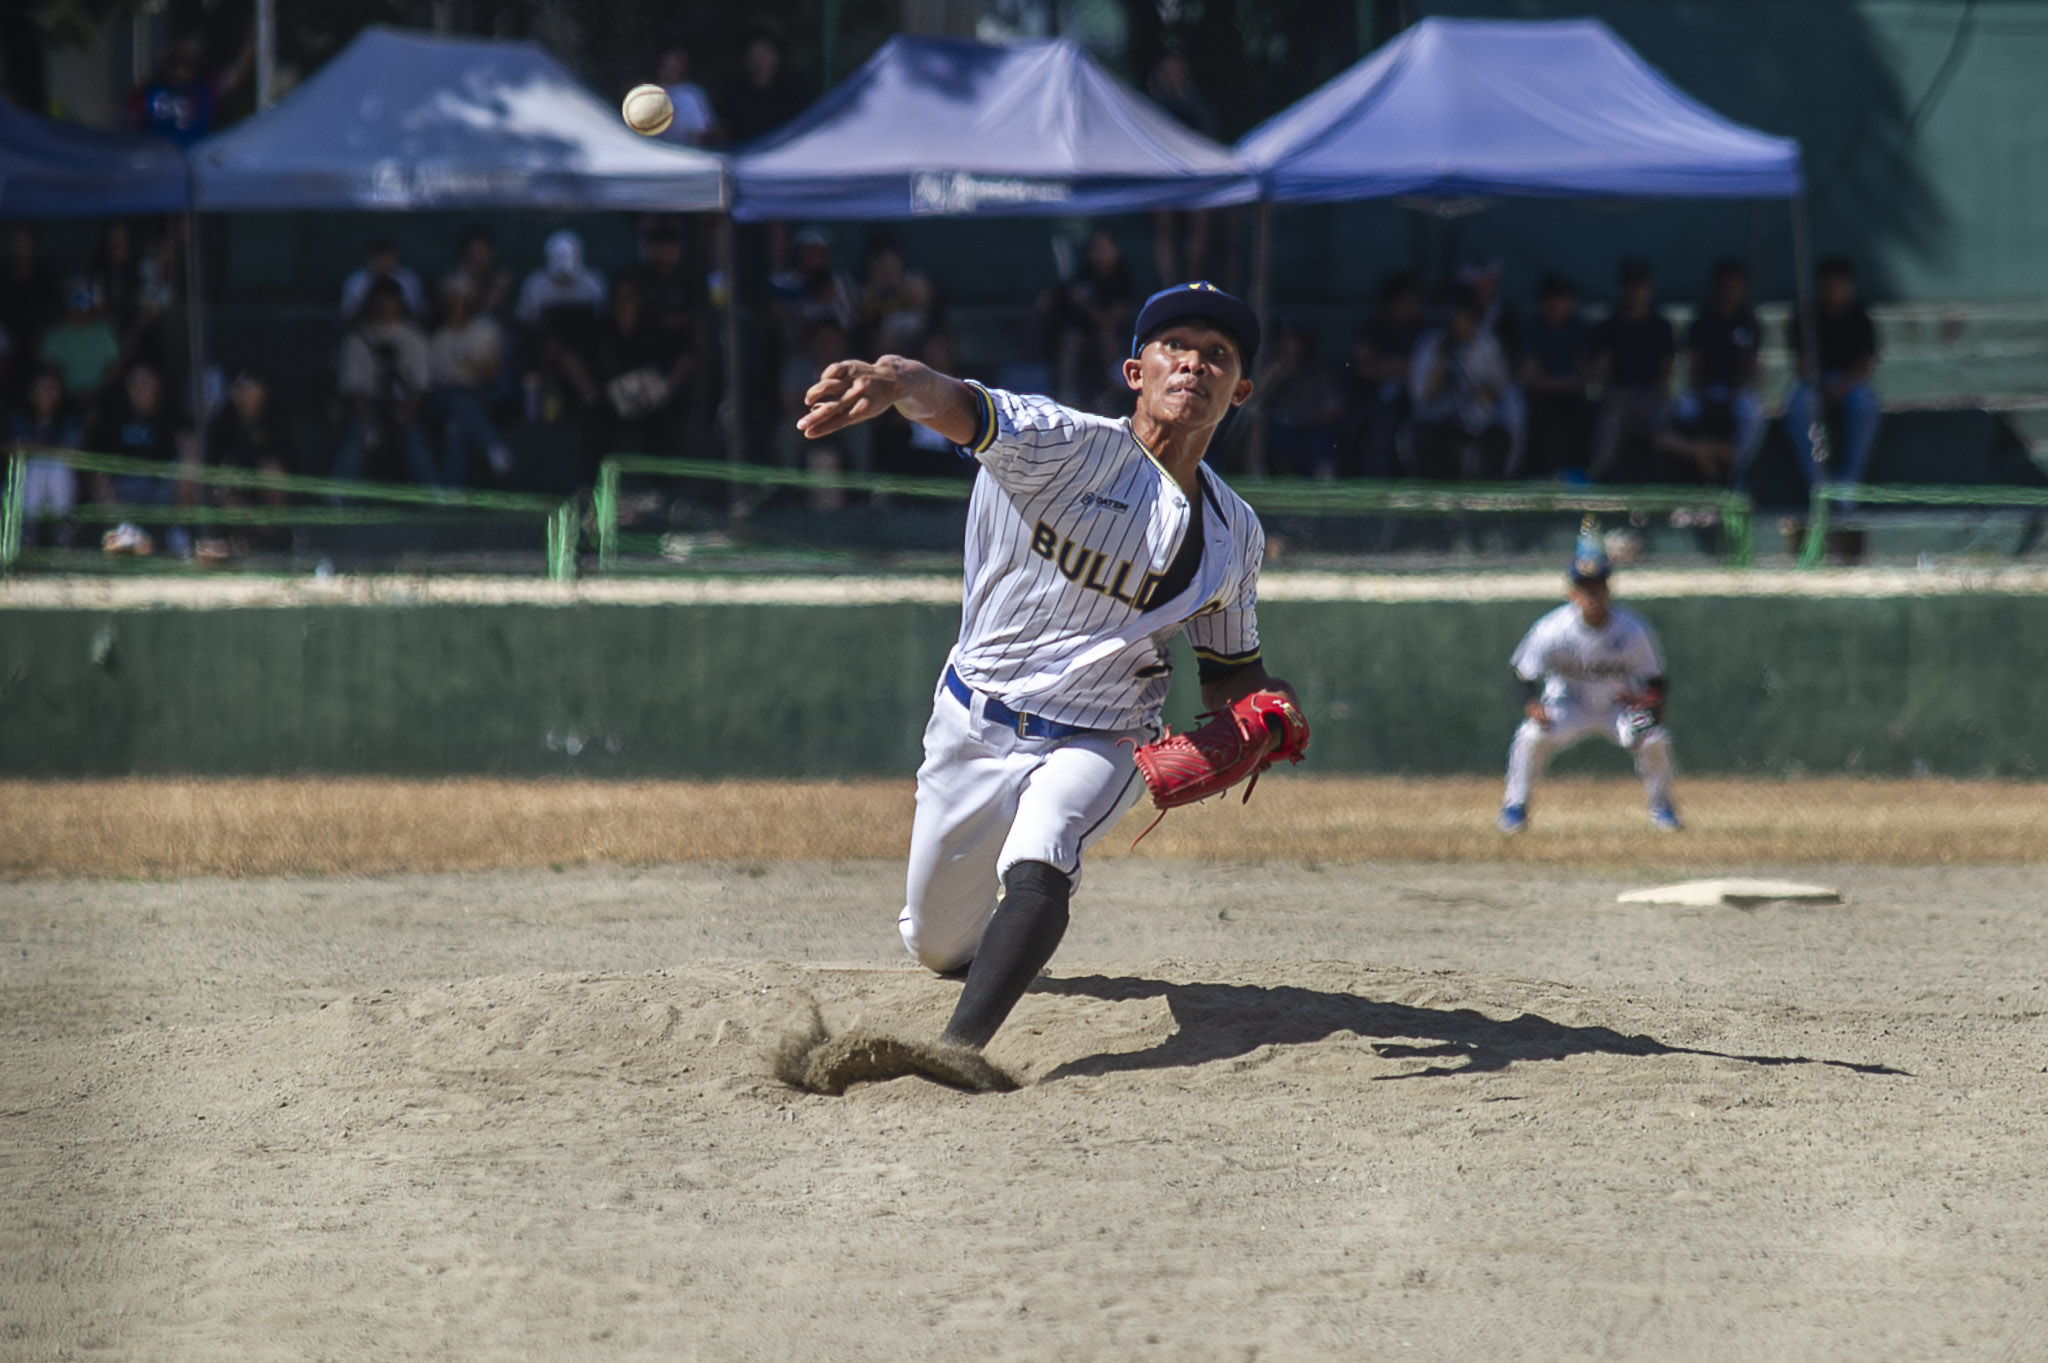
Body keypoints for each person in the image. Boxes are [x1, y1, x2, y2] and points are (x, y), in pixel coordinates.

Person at [794, 280, 1300, 1053]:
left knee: (1047, 846)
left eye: (1218, 356)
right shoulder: (1060, 443)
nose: (1195, 366)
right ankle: (983, 956)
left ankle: (959, 1050)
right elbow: (958, 403)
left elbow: (1230, 668)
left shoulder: (1236, 532)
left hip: (1104, 733)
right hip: (976, 717)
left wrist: (1266, 709)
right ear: (1136, 372)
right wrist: (897, 380)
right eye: (1176, 348)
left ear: (1241, 390)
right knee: (934, 944)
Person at [1498, 523, 1680, 835]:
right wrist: (1531, 704)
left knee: (1655, 739)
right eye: (1584, 586)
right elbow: (1523, 673)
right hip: (1568, 704)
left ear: (1609, 588)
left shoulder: (1633, 629)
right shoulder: (1552, 628)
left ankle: (1662, 808)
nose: (1592, 593)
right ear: (1572, 591)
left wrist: (1653, 712)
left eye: (1598, 585)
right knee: (1530, 736)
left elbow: (1656, 679)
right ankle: (1515, 807)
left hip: (1618, 705)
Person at [1658, 258, 1765, 487]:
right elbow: (1693, 365)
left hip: (1737, 391)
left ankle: (1736, 472)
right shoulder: (1701, 322)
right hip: (1704, 389)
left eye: (1735, 286)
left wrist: (1735, 392)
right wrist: (1704, 394)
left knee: (1752, 411)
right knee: (1682, 410)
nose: (1729, 291)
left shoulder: (1748, 322)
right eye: (1725, 286)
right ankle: (1697, 460)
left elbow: (1752, 367)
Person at [1784, 255, 1881, 487]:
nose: (1833, 292)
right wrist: (1821, 385)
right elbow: (1802, 364)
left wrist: (1843, 386)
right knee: (1798, 405)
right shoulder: (1806, 318)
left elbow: (1865, 364)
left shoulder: (1860, 319)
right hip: (1815, 384)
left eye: (1838, 285)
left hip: (1850, 385)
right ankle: (1817, 484)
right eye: (1828, 286)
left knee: (1866, 403)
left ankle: (1848, 484)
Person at [580, 276, 692, 472]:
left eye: (630, 298)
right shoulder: (602, 330)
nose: (625, 305)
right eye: (620, 299)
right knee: (598, 426)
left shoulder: (654, 329)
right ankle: (599, 487)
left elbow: (686, 353)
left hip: (652, 404)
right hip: (613, 404)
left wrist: (670, 385)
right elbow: (571, 356)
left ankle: (662, 486)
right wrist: (589, 389)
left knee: (662, 426)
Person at [334, 278, 437, 487]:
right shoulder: (356, 339)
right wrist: (370, 419)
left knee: (415, 438)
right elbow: (355, 389)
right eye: (382, 300)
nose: (387, 305)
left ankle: (433, 492)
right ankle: (339, 494)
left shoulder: (414, 337)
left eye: (391, 300)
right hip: (368, 404)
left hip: (403, 404)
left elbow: (420, 386)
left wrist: (406, 412)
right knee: (357, 434)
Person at [85, 360, 193, 556]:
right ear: (128, 386)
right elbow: (95, 457)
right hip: (123, 486)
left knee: (187, 469)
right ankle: (124, 535)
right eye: (138, 383)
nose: (144, 388)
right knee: (100, 483)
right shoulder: (113, 414)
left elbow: (188, 444)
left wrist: (188, 463)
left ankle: (177, 532)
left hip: (160, 485)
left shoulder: (171, 411)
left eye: (149, 382)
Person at [1409, 287, 1513, 480]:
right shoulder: (1431, 343)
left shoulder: (1487, 344)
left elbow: (1499, 388)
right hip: (1438, 419)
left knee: (1500, 437)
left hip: (1476, 420)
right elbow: (1422, 395)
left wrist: (1483, 392)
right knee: (1425, 436)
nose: (1460, 323)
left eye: (1465, 318)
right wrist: (1442, 358)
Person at [1587, 257, 1676, 482]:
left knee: (1665, 415)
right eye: (1631, 286)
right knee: (1609, 418)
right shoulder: (1610, 326)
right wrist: (1612, 394)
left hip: (1651, 395)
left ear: (1649, 288)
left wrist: (1651, 397)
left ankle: (1667, 482)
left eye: (1641, 286)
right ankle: (1600, 480)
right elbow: (1602, 373)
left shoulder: (1661, 327)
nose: (1636, 292)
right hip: (1619, 395)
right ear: (1623, 288)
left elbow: (1666, 373)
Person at [515, 229, 607, 426]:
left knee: (569, 355)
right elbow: (523, 325)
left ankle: (592, 401)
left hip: (583, 351)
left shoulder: (594, 285)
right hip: (545, 351)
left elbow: (602, 326)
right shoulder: (535, 285)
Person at [1340, 271, 1426, 478]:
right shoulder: (1373, 328)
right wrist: (1395, 367)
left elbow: (1421, 368)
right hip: (1371, 403)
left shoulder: (1422, 330)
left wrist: (1399, 367)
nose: (1414, 306)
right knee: (1380, 422)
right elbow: (1365, 367)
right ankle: (1375, 483)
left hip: (1416, 403)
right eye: (1408, 300)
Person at [429, 279, 513, 484]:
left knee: (455, 429)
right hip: (443, 397)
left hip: (480, 394)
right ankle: (492, 444)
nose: (457, 305)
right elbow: (433, 380)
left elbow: (493, 375)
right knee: (455, 398)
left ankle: (451, 493)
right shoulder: (439, 337)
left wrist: (475, 368)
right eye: (452, 300)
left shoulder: (486, 330)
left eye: (461, 300)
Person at [1047, 228, 1137, 414]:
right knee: (1072, 338)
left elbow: (1111, 321)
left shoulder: (1123, 277)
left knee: (1107, 339)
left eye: (1105, 247)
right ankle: (1067, 394)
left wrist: (1086, 304)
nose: (1101, 253)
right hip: (1083, 334)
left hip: (1116, 338)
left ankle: (1109, 396)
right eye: (1097, 248)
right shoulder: (1084, 273)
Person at [204, 369, 296, 550]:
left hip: (265, 497)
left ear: (263, 390)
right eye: (239, 388)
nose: (245, 395)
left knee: (271, 474)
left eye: (250, 387)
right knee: (223, 498)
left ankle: (280, 540)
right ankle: (237, 544)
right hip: (235, 496)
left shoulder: (275, 419)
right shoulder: (222, 422)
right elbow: (212, 469)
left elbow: (285, 465)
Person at [1146, 50, 1216, 284]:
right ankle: (1169, 284)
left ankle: (1191, 283)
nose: (1173, 76)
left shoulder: (1195, 103)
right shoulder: (1152, 106)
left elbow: (1206, 134)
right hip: (1162, 173)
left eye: (1178, 71)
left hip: (1195, 174)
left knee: (1199, 224)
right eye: (1168, 72)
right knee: (1163, 227)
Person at [1518, 273, 1591, 478]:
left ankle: (1580, 474)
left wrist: (1552, 382)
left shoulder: (1580, 328)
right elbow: (1530, 378)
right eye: (1551, 299)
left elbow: (1584, 378)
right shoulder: (1532, 328)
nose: (1556, 305)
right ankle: (1533, 476)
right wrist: (1562, 383)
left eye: (1561, 299)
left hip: (1573, 399)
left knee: (1583, 414)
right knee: (1535, 415)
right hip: (1539, 400)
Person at [127, 31, 252, 146]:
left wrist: (251, 43)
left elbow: (235, 76)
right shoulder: (148, 93)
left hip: (193, 158)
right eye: (177, 62)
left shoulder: (203, 91)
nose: (181, 71)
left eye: (188, 64)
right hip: (155, 158)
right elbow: (131, 126)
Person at [9, 363, 82, 547]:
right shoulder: (19, 417)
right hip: (24, 485)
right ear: (32, 392)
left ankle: (63, 535)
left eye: (52, 389)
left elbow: (71, 452)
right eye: (41, 389)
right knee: (34, 467)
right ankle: (26, 534)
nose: (46, 395)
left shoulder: (69, 418)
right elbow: (13, 449)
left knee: (57, 467)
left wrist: (37, 450)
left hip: (60, 484)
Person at [1258, 322, 1341, 479]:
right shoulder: (1271, 367)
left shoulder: (1318, 370)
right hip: (1281, 427)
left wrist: (1311, 421)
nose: (1290, 344)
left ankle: (1326, 490)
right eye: (1286, 339)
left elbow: (1334, 407)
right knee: (1278, 435)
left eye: (1294, 339)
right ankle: (1285, 484)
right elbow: (1254, 400)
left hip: (1314, 427)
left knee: (1323, 440)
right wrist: (1279, 371)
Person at [38, 280, 121, 411]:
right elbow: (50, 373)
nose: (78, 310)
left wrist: (99, 398)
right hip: (64, 404)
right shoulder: (54, 335)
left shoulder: (102, 330)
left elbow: (114, 369)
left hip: (101, 401)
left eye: (82, 302)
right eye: (74, 301)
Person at [340, 240, 428, 323]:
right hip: (366, 328)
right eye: (379, 257)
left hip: (404, 326)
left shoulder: (408, 278)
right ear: (370, 259)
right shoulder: (356, 280)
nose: (383, 261)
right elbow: (348, 314)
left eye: (387, 257)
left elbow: (418, 311)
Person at [653, 45, 718, 147]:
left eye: (677, 67)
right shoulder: (647, 92)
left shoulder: (693, 95)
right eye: (669, 66)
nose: (673, 70)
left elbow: (705, 131)